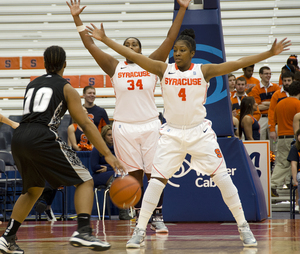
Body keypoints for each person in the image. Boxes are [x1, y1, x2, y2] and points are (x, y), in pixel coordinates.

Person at [87, 20, 290, 248]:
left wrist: (269, 53)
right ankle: (140, 229)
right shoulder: (163, 69)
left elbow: (238, 62)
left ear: (192, 53)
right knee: (155, 182)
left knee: (224, 180)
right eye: (175, 50)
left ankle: (243, 227)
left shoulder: (204, 70)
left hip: (199, 133)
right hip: (171, 134)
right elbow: (127, 52)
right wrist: (104, 40)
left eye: (182, 50)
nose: (177, 53)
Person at [67, 0, 191, 233]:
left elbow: (169, 39)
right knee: (132, 178)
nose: (131, 46)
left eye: (135, 44)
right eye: (127, 44)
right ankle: (138, 219)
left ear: (141, 50)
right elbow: (90, 46)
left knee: (156, 174)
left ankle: (157, 215)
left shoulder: (152, 64)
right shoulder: (115, 66)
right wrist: (77, 19)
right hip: (124, 128)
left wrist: (182, 8)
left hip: (151, 125)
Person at [0, 45, 124, 254]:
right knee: (85, 180)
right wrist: (108, 154)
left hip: (19, 137)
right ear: (64, 65)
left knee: (33, 190)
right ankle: (84, 231)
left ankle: (7, 238)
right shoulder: (66, 88)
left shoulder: (32, 85)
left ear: (45, 64)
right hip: (42, 136)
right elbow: (85, 123)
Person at [91, 125, 132, 220]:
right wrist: (112, 167)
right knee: (119, 178)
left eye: (113, 134)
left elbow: (122, 165)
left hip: (113, 174)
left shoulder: (118, 149)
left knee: (122, 178)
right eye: (109, 135)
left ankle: (113, 187)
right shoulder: (97, 148)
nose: (112, 137)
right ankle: (123, 212)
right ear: (104, 136)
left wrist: (108, 167)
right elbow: (94, 167)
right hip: (99, 176)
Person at [271, 81, 300, 197]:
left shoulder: (279, 104)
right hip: (292, 137)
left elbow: (275, 120)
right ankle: (273, 185)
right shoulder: (297, 104)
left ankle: (289, 182)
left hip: (281, 136)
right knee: (284, 163)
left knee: (286, 162)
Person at [249, 66, 280, 150]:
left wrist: (265, 103)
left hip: (273, 118)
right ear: (260, 75)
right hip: (262, 118)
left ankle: (274, 161)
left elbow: (279, 103)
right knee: (261, 140)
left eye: (270, 74)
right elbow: (257, 106)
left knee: (274, 141)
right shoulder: (255, 89)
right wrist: (272, 104)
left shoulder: (276, 87)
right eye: (266, 73)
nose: (268, 75)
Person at [268, 71, 294, 144]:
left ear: (293, 80)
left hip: (294, 125)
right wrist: (272, 129)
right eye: (285, 81)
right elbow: (271, 112)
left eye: (289, 80)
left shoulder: (297, 94)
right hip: (279, 126)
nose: (287, 83)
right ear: (282, 81)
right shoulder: (276, 95)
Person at [286, 128, 300, 213]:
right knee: (299, 178)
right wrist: (294, 180)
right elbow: (293, 164)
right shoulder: (295, 148)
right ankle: (298, 204)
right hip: (299, 172)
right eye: (299, 135)